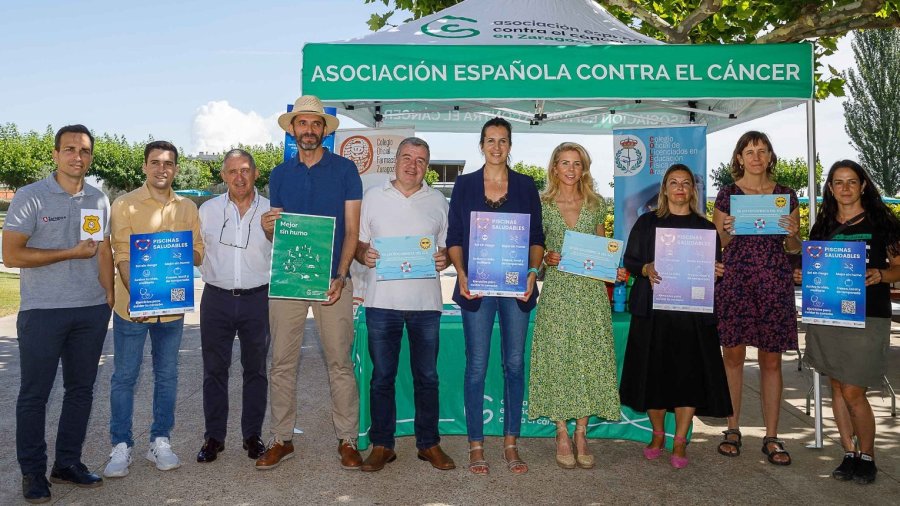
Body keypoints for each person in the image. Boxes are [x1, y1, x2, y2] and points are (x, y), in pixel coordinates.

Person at [4, 125, 114, 503]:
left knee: (80, 391)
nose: (76, 157)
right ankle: (33, 473)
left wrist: (109, 299)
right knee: (35, 394)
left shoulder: (99, 199)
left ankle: (67, 463)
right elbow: (12, 255)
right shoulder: (30, 196)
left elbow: (102, 251)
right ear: (55, 155)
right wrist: (68, 252)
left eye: (83, 151)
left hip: (91, 311)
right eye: (69, 149)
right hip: (43, 312)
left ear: (90, 157)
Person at [256, 95, 363, 470]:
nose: (309, 131)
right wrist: (268, 228)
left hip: (334, 280)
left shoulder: (346, 170)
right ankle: (281, 438)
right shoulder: (280, 174)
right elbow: (279, 234)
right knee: (281, 363)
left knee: (340, 363)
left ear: (324, 131)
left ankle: (347, 439)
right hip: (289, 281)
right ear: (293, 129)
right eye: (303, 124)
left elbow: (352, 230)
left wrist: (341, 274)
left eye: (316, 124)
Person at [447, 117, 545, 475]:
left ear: (510, 145)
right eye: (490, 140)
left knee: (515, 364)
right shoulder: (465, 184)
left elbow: (536, 236)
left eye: (503, 140)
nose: (497, 146)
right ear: (481, 144)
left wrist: (533, 272)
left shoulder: (525, 185)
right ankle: (475, 444)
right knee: (476, 365)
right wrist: (460, 272)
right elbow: (454, 236)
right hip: (476, 287)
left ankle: (510, 442)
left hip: (516, 288)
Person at [619, 164, 733, 469]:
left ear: (692, 190)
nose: (680, 188)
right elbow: (630, 261)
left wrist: (716, 272)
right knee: (653, 376)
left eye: (685, 183)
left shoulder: (706, 228)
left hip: (691, 316)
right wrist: (645, 268)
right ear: (665, 189)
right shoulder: (646, 223)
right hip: (653, 313)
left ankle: (680, 441)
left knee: (688, 378)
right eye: (674, 182)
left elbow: (714, 270)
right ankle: (658, 434)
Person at [794, 160, 900, 484]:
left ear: (863, 185)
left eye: (851, 181)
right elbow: (815, 266)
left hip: (869, 316)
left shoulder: (883, 222)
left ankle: (867, 456)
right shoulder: (823, 225)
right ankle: (848, 453)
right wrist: (804, 275)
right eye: (838, 182)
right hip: (828, 313)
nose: (844, 188)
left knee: (854, 390)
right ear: (829, 188)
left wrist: (882, 274)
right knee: (836, 386)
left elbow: (899, 267)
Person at [354, 137, 455, 472]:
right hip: (382, 303)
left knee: (427, 376)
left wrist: (444, 259)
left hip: (426, 304)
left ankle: (429, 444)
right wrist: (362, 254)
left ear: (428, 166)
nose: (414, 165)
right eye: (408, 158)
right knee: (382, 376)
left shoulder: (439, 200)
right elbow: (358, 244)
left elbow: (446, 250)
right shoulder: (372, 197)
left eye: (422, 160)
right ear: (395, 161)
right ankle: (383, 444)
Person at [104, 141, 204, 477]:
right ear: (145, 166)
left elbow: (199, 254)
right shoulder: (125, 204)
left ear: (176, 168)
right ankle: (121, 445)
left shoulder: (188, 207)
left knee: (168, 376)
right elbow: (121, 255)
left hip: (172, 311)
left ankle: (160, 440)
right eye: (155, 162)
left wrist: (178, 251)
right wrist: (141, 296)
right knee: (125, 377)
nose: (162, 169)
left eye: (169, 163)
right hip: (133, 308)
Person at [528, 142, 624, 470]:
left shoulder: (596, 205)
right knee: (557, 360)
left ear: (584, 168)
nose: (570, 169)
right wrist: (546, 261)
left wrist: (616, 269)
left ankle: (581, 433)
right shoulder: (541, 205)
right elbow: (536, 254)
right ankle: (560, 431)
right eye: (564, 163)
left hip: (590, 295)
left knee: (588, 360)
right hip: (556, 293)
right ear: (554, 168)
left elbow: (601, 251)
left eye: (577, 163)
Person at [712, 131, 801, 465]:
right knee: (733, 357)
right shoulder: (727, 195)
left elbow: (793, 249)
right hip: (735, 282)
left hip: (774, 283)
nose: (756, 157)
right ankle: (732, 428)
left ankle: (772, 436)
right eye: (750, 152)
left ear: (769, 156)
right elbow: (716, 245)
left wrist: (793, 235)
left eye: (762, 151)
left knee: (772, 360)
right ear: (739, 158)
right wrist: (726, 231)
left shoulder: (786, 196)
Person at [195, 149, 271, 463]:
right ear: (223, 176)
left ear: (255, 174)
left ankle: (252, 435)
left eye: (245, 170)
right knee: (214, 372)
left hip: (258, 300)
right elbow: (195, 251)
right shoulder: (207, 211)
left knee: (255, 371)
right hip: (216, 300)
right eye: (231, 171)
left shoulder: (273, 211)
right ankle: (214, 437)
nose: (238, 177)